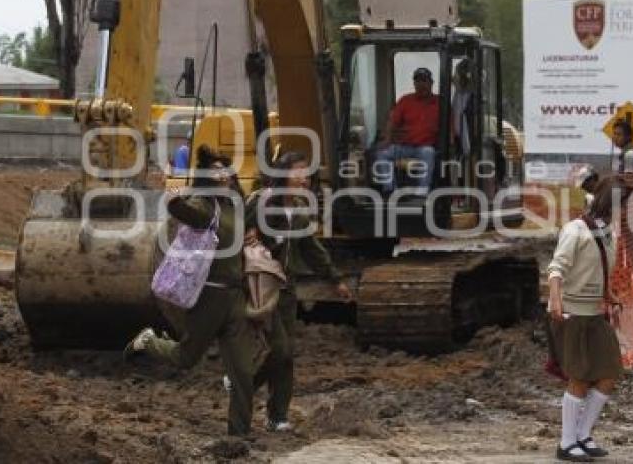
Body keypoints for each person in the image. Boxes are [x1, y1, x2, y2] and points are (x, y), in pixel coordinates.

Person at [125, 144, 257, 438]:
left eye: (226, 167)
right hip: (208, 297)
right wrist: (173, 202)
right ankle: (148, 341)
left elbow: (248, 225)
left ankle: (239, 435)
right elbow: (189, 213)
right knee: (186, 358)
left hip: (235, 296)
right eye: (217, 168)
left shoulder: (235, 204)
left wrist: (254, 232)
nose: (224, 173)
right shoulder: (204, 204)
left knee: (243, 371)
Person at [244, 151, 352, 432]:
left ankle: (277, 415)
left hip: (286, 289)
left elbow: (311, 250)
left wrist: (335, 279)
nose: (304, 178)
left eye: (306, 173)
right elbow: (234, 233)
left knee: (286, 354)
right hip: (260, 287)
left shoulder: (299, 214)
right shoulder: (260, 203)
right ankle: (244, 382)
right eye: (297, 172)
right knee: (279, 349)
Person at [548, 176, 623, 462]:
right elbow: (556, 268)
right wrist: (555, 300)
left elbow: (600, 267)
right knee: (579, 377)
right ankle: (567, 443)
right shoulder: (575, 230)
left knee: (608, 373)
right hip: (573, 314)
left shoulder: (607, 232)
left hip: (595, 313)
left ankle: (583, 434)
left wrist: (609, 294)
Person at [374, 67, 440, 193]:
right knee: (381, 153)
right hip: (404, 147)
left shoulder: (440, 102)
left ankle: (421, 193)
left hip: (425, 148)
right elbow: (392, 122)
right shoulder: (405, 100)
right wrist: (387, 140)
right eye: (418, 81)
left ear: (431, 83)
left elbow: (451, 127)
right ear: (414, 84)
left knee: (428, 153)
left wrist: (452, 144)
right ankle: (390, 190)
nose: (421, 84)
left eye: (424, 81)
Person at [611, 118, 633, 290]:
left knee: (631, 247)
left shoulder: (630, 155)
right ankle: (632, 283)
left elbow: (628, 183)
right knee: (630, 246)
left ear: (628, 136)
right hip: (630, 208)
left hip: (630, 209)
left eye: (618, 134)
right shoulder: (627, 154)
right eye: (614, 134)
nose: (614, 138)